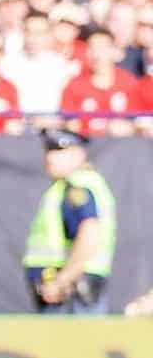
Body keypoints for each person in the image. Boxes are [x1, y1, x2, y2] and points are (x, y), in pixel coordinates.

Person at [23, 128, 117, 315]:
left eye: (59, 150)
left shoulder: (78, 187)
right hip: (70, 291)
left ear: (78, 154)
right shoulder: (75, 184)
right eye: (48, 150)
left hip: (70, 294)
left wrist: (62, 280)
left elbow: (89, 234)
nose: (50, 157)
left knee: (71, 344)